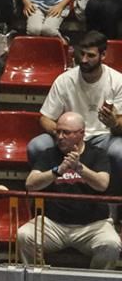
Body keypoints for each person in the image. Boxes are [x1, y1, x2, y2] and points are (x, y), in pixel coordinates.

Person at [19, 111, 121, 269]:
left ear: (81, 134)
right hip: (53, 224)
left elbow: (102, 184)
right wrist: (57, 170)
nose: (60, 137)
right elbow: (30, 184)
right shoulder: (49, 154)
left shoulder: (97, 154)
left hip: (92, 226)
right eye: (58, 131)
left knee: (111, 244)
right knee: (24, 235)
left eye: (66, 132)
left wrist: (80, 168)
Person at [27, 31, 122, 187]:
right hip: (68, 137)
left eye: (90, 56)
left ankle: (112, 202)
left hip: (102, 137)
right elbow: (45, 118)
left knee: (119, 152)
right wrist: (63, 134)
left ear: (103, 55)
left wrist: (113, 123)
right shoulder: (64, 80)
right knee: (37, 145)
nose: (84, 60)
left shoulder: (117, 81)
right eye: (81, 54)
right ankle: (49, 194)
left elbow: (120, 124)